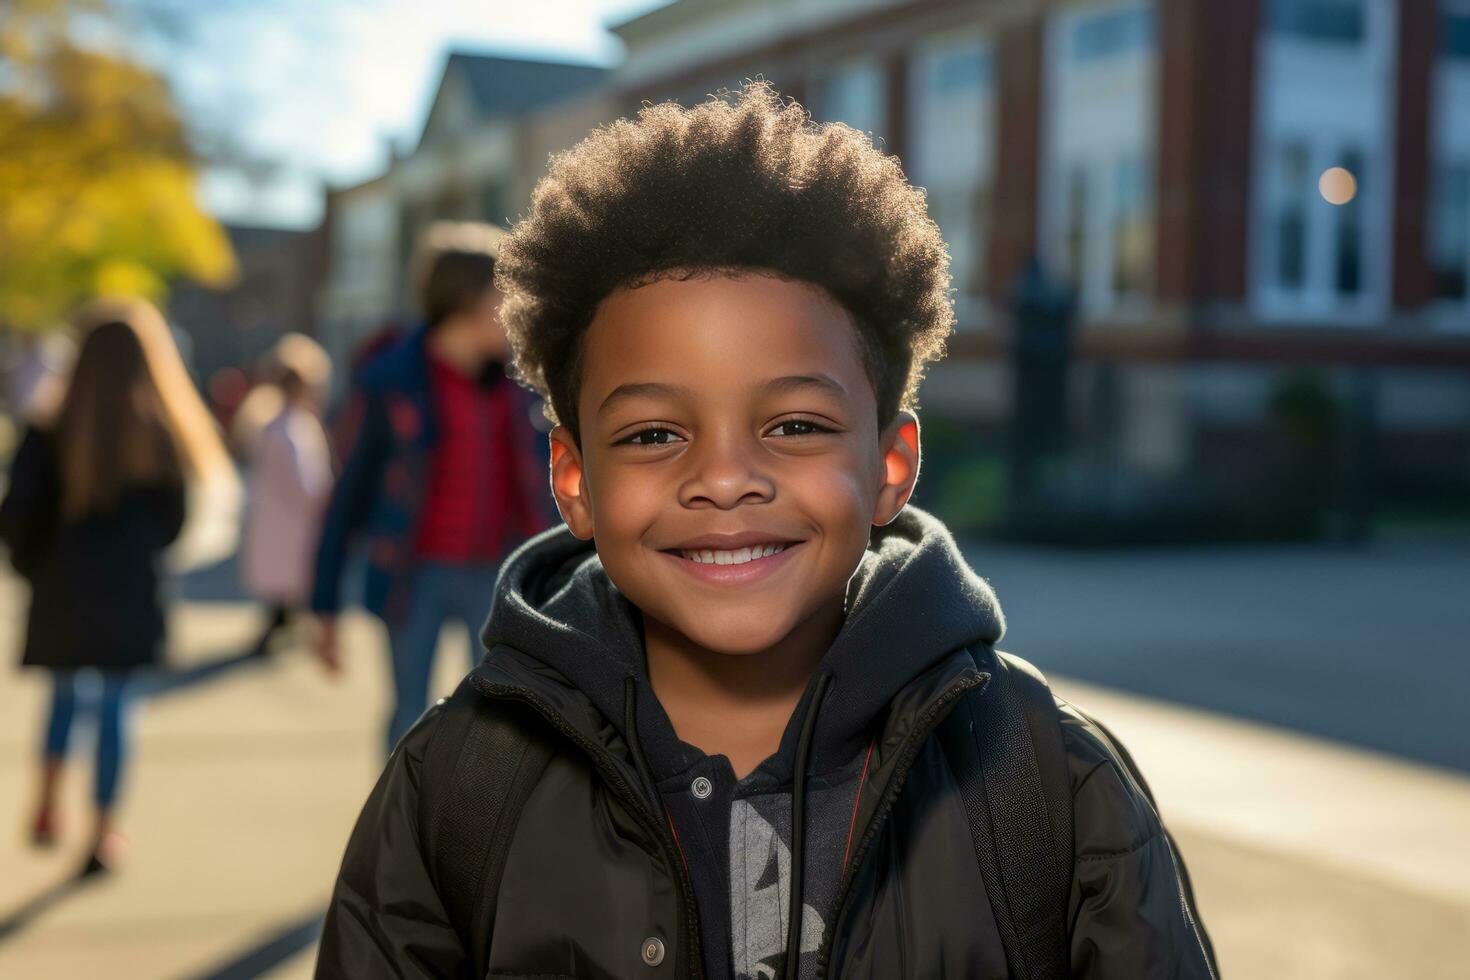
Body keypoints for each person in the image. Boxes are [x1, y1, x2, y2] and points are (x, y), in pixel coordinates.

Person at [316, 84, 1218, 979]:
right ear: (574, 480)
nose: (723, 479)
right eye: (653, 435)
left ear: (891, 465)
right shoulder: (458, 788)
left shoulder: (1049, 790)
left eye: (794, 425)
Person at [0, 297, 237, 875]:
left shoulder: (47, 429)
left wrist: (38, 574)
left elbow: (17, 519)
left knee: (64, 698)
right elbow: (174, 525)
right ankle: (102, 833)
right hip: (131, 597)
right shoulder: (163, 433)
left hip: (61, 594)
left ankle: (48, 799)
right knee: (114, 710)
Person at [309, 222, 554, 754]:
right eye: (505, 297)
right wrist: (323, 605)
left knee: (504, 721)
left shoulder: (523, 386)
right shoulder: (389, 380)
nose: (518, 312)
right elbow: (347, 497)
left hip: (497, 574)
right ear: (469, 300)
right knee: (409, 719)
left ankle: (486, 833)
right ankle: (400, 836)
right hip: (411, 574)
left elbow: (552, 490)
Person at [239, 333, 333, 655]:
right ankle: (282, 629)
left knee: (285, 584)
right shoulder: (290, 427)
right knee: (291, 580)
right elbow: (305, 481)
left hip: (280, 517)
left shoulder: (276, 424)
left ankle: (282, 626)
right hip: (292, 519)